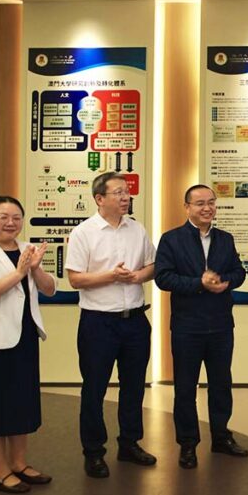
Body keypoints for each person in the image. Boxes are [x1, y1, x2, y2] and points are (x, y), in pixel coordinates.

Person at [65, 172, 156, 478]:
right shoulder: (84, 233)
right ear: (99, 198)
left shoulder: (137, 229)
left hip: (135, 321)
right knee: (94, 388)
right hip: (98, 323)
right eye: (118, 192)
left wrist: (138, 276)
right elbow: (75, 279)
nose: (125, 197)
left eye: (126, 192)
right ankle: (93, 452)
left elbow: (152, 266)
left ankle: (129, 443)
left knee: (134, 386)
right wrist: (111, 276)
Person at [0, 196, 57, 494]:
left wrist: (35, 269)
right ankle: (0, 471)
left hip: (25, 336)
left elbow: (50, 289)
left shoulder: (27, 249)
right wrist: (19, 273)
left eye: (16, 217)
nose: (10, 223)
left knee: (22, 403)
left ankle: (19, 463)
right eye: (3, 217)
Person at [155, 184, 248, 468]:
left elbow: (239, 272)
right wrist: (199, 283)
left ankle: (221, 437)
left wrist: (226, 282)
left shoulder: (225, 238)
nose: (207, 208)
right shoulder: (171, 239)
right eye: (200, 203)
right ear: (187, 207)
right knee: (185, 388)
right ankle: (187, 444)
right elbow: (163, 278)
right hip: (187, 327)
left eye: (211, 202)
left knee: (221, 384)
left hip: (221, 325)